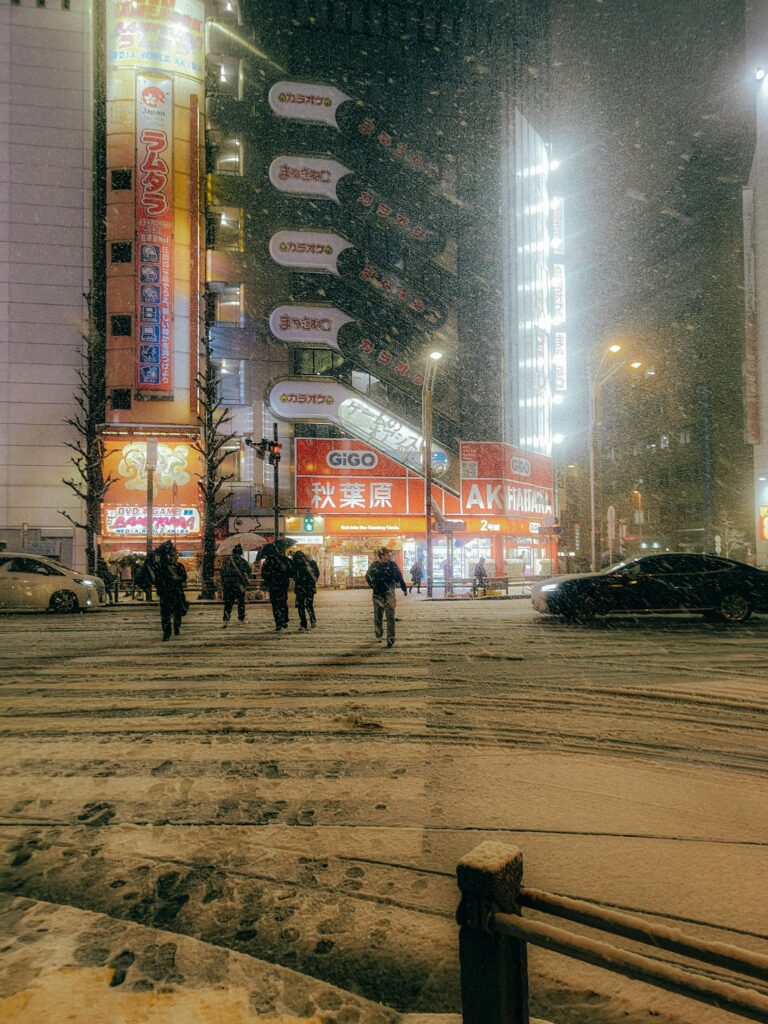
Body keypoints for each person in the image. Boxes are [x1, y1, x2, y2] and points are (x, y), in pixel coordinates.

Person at [137, 541, 188, 641]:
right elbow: (154, 577)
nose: (172, 557)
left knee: (178, 612)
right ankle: (166, 633)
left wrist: (177, 579)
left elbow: (184, 578)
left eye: (173, 555)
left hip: (177, 593)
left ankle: (177, 626)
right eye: (170, 555)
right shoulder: (161, 568)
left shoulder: (179, 566)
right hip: (165, 594)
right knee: (165, 615)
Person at [365, 547, 407, 647]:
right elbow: (367, 576)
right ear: (382, 555)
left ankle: (390, 637)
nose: (390, 555)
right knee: (378, 616)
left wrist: (404, 588)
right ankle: (379, 634)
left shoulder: (392, 565)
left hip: (389, 595)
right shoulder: (375, 565)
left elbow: (399, 577)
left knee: (390, 617)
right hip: (378, 595)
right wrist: (373, 585)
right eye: (388, 554)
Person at [261, 543, 295, 632]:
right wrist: (285, 571)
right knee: (283, 602)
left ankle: (278, 623)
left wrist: (270, 579)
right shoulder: (284, 559)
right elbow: (292, 572)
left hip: (273, 586)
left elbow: (263, 574)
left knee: (275, 605)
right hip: (283, 585)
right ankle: (284, 620)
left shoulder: (267, 561)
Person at [220, 543, 251, 628]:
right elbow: (249, 570)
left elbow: (221, 572)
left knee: (228, 603)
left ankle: (225, 620)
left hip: (227, 585)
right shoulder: (242, 560)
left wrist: (224, 583)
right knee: (241, 602)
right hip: (239, 585)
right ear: (240, 552)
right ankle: (241, 619)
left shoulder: (225, 561)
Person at [292, 549, 320, 631]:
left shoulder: (295, 564)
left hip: (300, 588)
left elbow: (293, 576)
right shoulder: (311, 562)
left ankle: (303, 624)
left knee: (300, 606)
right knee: (309, 604)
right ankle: (313, 621)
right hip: (310, 588)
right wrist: (312, 582)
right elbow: (317, 573)